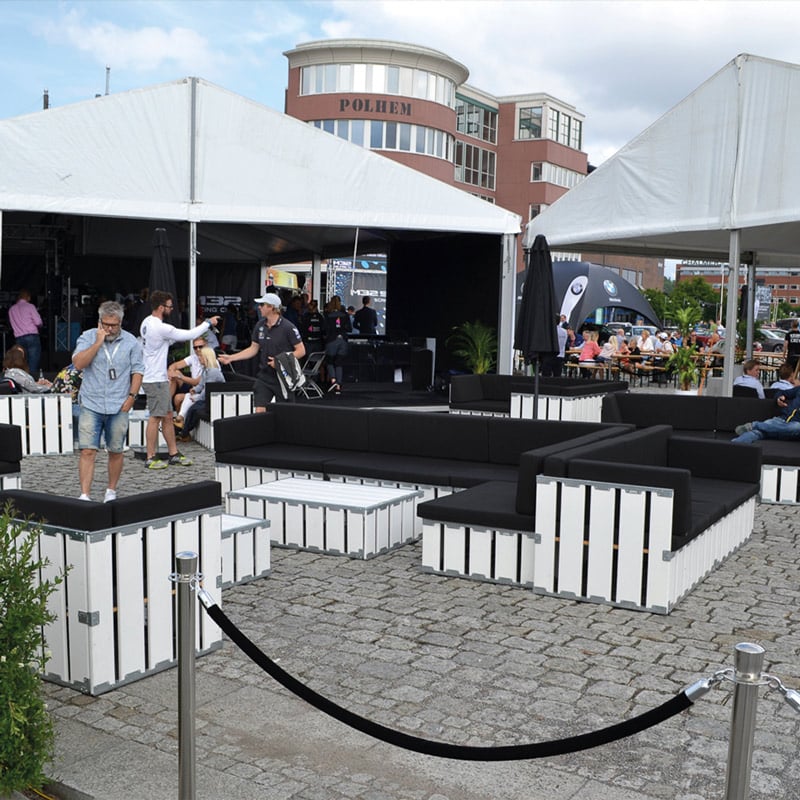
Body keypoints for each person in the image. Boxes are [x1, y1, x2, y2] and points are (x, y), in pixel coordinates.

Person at [72, 301, 144, 501]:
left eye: (114, 325)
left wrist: (132, 397)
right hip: (91, 402)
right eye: (106, 324)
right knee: (87, 450)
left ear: (121, 322)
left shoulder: (130, 342)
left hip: (119, 403)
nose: (110, 329)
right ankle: (84, 493)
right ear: (99, 321)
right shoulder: (87, 337)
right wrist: (97, 342)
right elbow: (78, 364)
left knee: (115, 449)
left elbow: (138, 370)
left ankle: (111, 490)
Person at [140, 291, 220, 470]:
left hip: (155, 377)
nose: (172, 309)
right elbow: (189, 335)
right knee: (155, 418)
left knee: (168, 416)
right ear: (161, 307)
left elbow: (161, 343)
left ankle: (173, 453)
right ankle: (150, 457)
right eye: (169, 306)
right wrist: (208, 323)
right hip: (155, 379)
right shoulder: (160, 327)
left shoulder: (146, 323)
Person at [218, 293, 305, 411]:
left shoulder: (288, 327)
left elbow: (301, 351)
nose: (259, 307)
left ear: (272, 307)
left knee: (285, 413)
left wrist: (280, 361)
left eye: (262, 305)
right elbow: (253, 348)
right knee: (260, 410)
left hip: (283, 377)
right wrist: (231, 358)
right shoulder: (260, 325)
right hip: (264, 375)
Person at [175, 346, 225, 440]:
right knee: (189, 395)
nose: (199, 358)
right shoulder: (205, 370)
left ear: (206, 357)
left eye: (201, 356)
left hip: (215, 398)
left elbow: (207, 390)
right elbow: (201, 385)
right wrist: (195, 390)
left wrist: (197, 398)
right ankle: (181, 418)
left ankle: (184, 431)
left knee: (193, 408)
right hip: (208, 396)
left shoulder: (213, 372)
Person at [732, 386, 800, 444]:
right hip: (780, 420)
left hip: (794, 429)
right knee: (757, 432)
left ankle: (754, 425)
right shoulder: (798, 389)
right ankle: (733, 446)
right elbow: (781, 392)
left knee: (796, 427)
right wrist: (779, 398)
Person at [8, 289, 43, 376]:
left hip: (19, 338)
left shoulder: (11, 309)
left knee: (21, 361)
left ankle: (22, 381)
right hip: (32, 336)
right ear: (28, 297)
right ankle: (32, 381)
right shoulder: (30, 306)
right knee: (33, 362)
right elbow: (38, 322)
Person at [169, 337, 208, 413]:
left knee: (178, 398)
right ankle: (165, 405)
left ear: (206, 346)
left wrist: (179, 376)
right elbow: (174, 366)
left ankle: (181, 420)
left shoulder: (210, 359)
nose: (198, 349)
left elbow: (197, 382)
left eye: (200, 347)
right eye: (195, 347)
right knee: (174, 373)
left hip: (204, 392)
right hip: (194, 389)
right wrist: (171, 372)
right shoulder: (193, 358)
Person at [323, 296, 352, 393]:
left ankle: (333, 379)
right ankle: (338, 385)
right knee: (339, 362)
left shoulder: (328, 315)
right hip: (343, 339)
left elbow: (325, 329)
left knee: (330, 361)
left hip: (331, 340)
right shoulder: (345, 314)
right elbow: (349, 329)